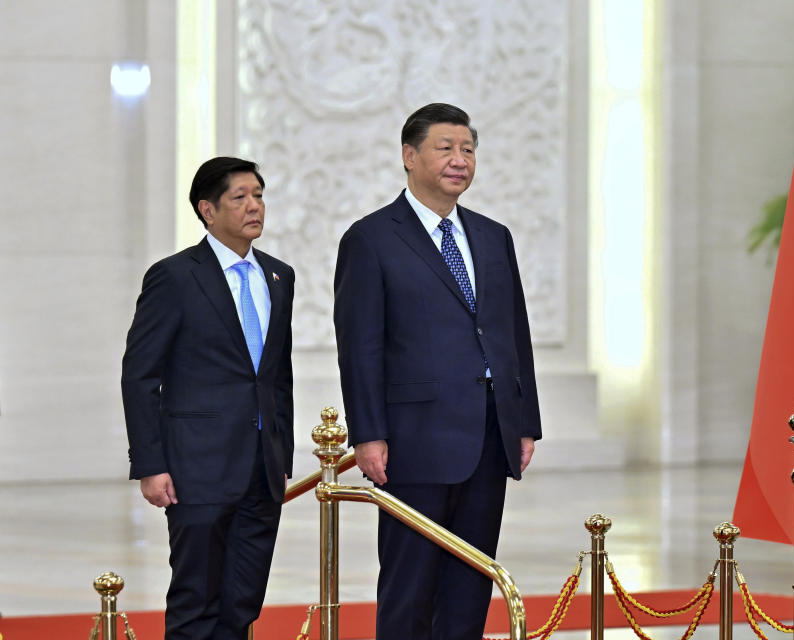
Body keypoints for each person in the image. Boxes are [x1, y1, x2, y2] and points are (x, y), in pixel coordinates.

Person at [333, 103, 542, 640]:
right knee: (411, 586)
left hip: (489, 436)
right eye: (445, 148)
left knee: (470, 586)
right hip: (414, 441)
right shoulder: (372, 238)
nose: (459, 161)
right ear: (409, 156)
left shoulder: (493, 236)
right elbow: (360, 347)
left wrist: (524, 420)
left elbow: (513, 334)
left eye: (468, 150)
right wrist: (368, 434)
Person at [121, 157, 295, 639]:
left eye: (258, 195)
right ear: (207, 210)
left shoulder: (279, 277)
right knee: (196, 604)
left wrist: (283, 452)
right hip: (197, 468)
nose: (254, 206)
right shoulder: (175, 277)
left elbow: (278, 376)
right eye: (240, 197)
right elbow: (140, 375)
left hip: (262, 471)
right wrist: (150, 464)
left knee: (242, 605)